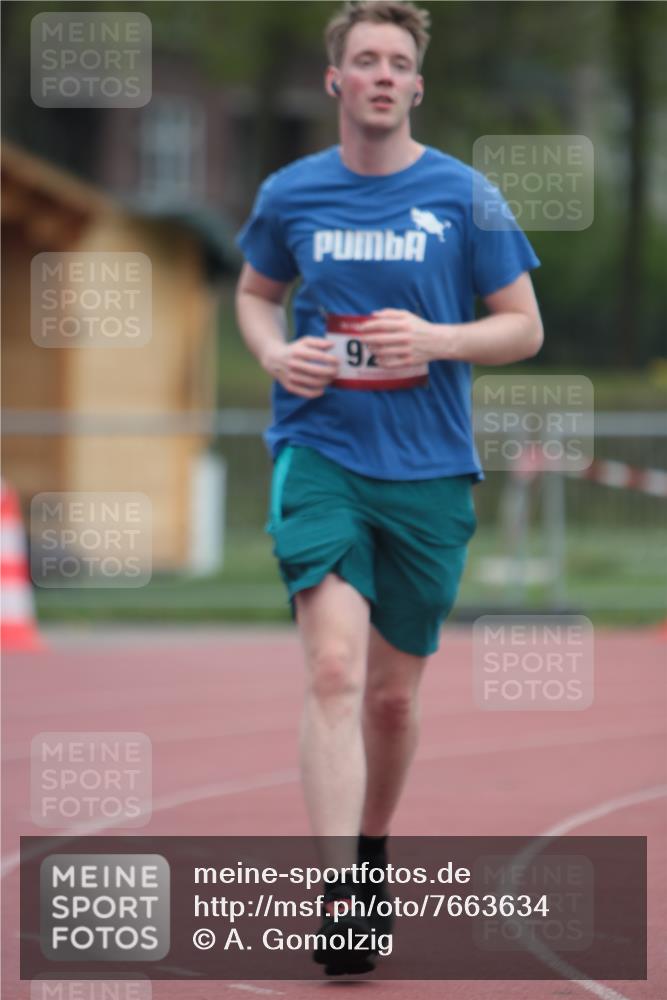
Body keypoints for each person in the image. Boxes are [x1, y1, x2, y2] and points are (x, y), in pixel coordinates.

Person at [235, 0, 543, 976]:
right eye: (361, 59)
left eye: (395, 61)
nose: (377, 74)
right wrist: (277, 354)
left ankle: (370, 851)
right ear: (334, 80)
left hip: (428, 469)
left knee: (391, 701)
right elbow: (253, 292)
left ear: (416, 85)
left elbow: (523, 326)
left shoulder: (465, 196)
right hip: (319, 452)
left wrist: (440, 339)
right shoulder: (290, 192)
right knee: (330, 667)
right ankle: (343, 898)